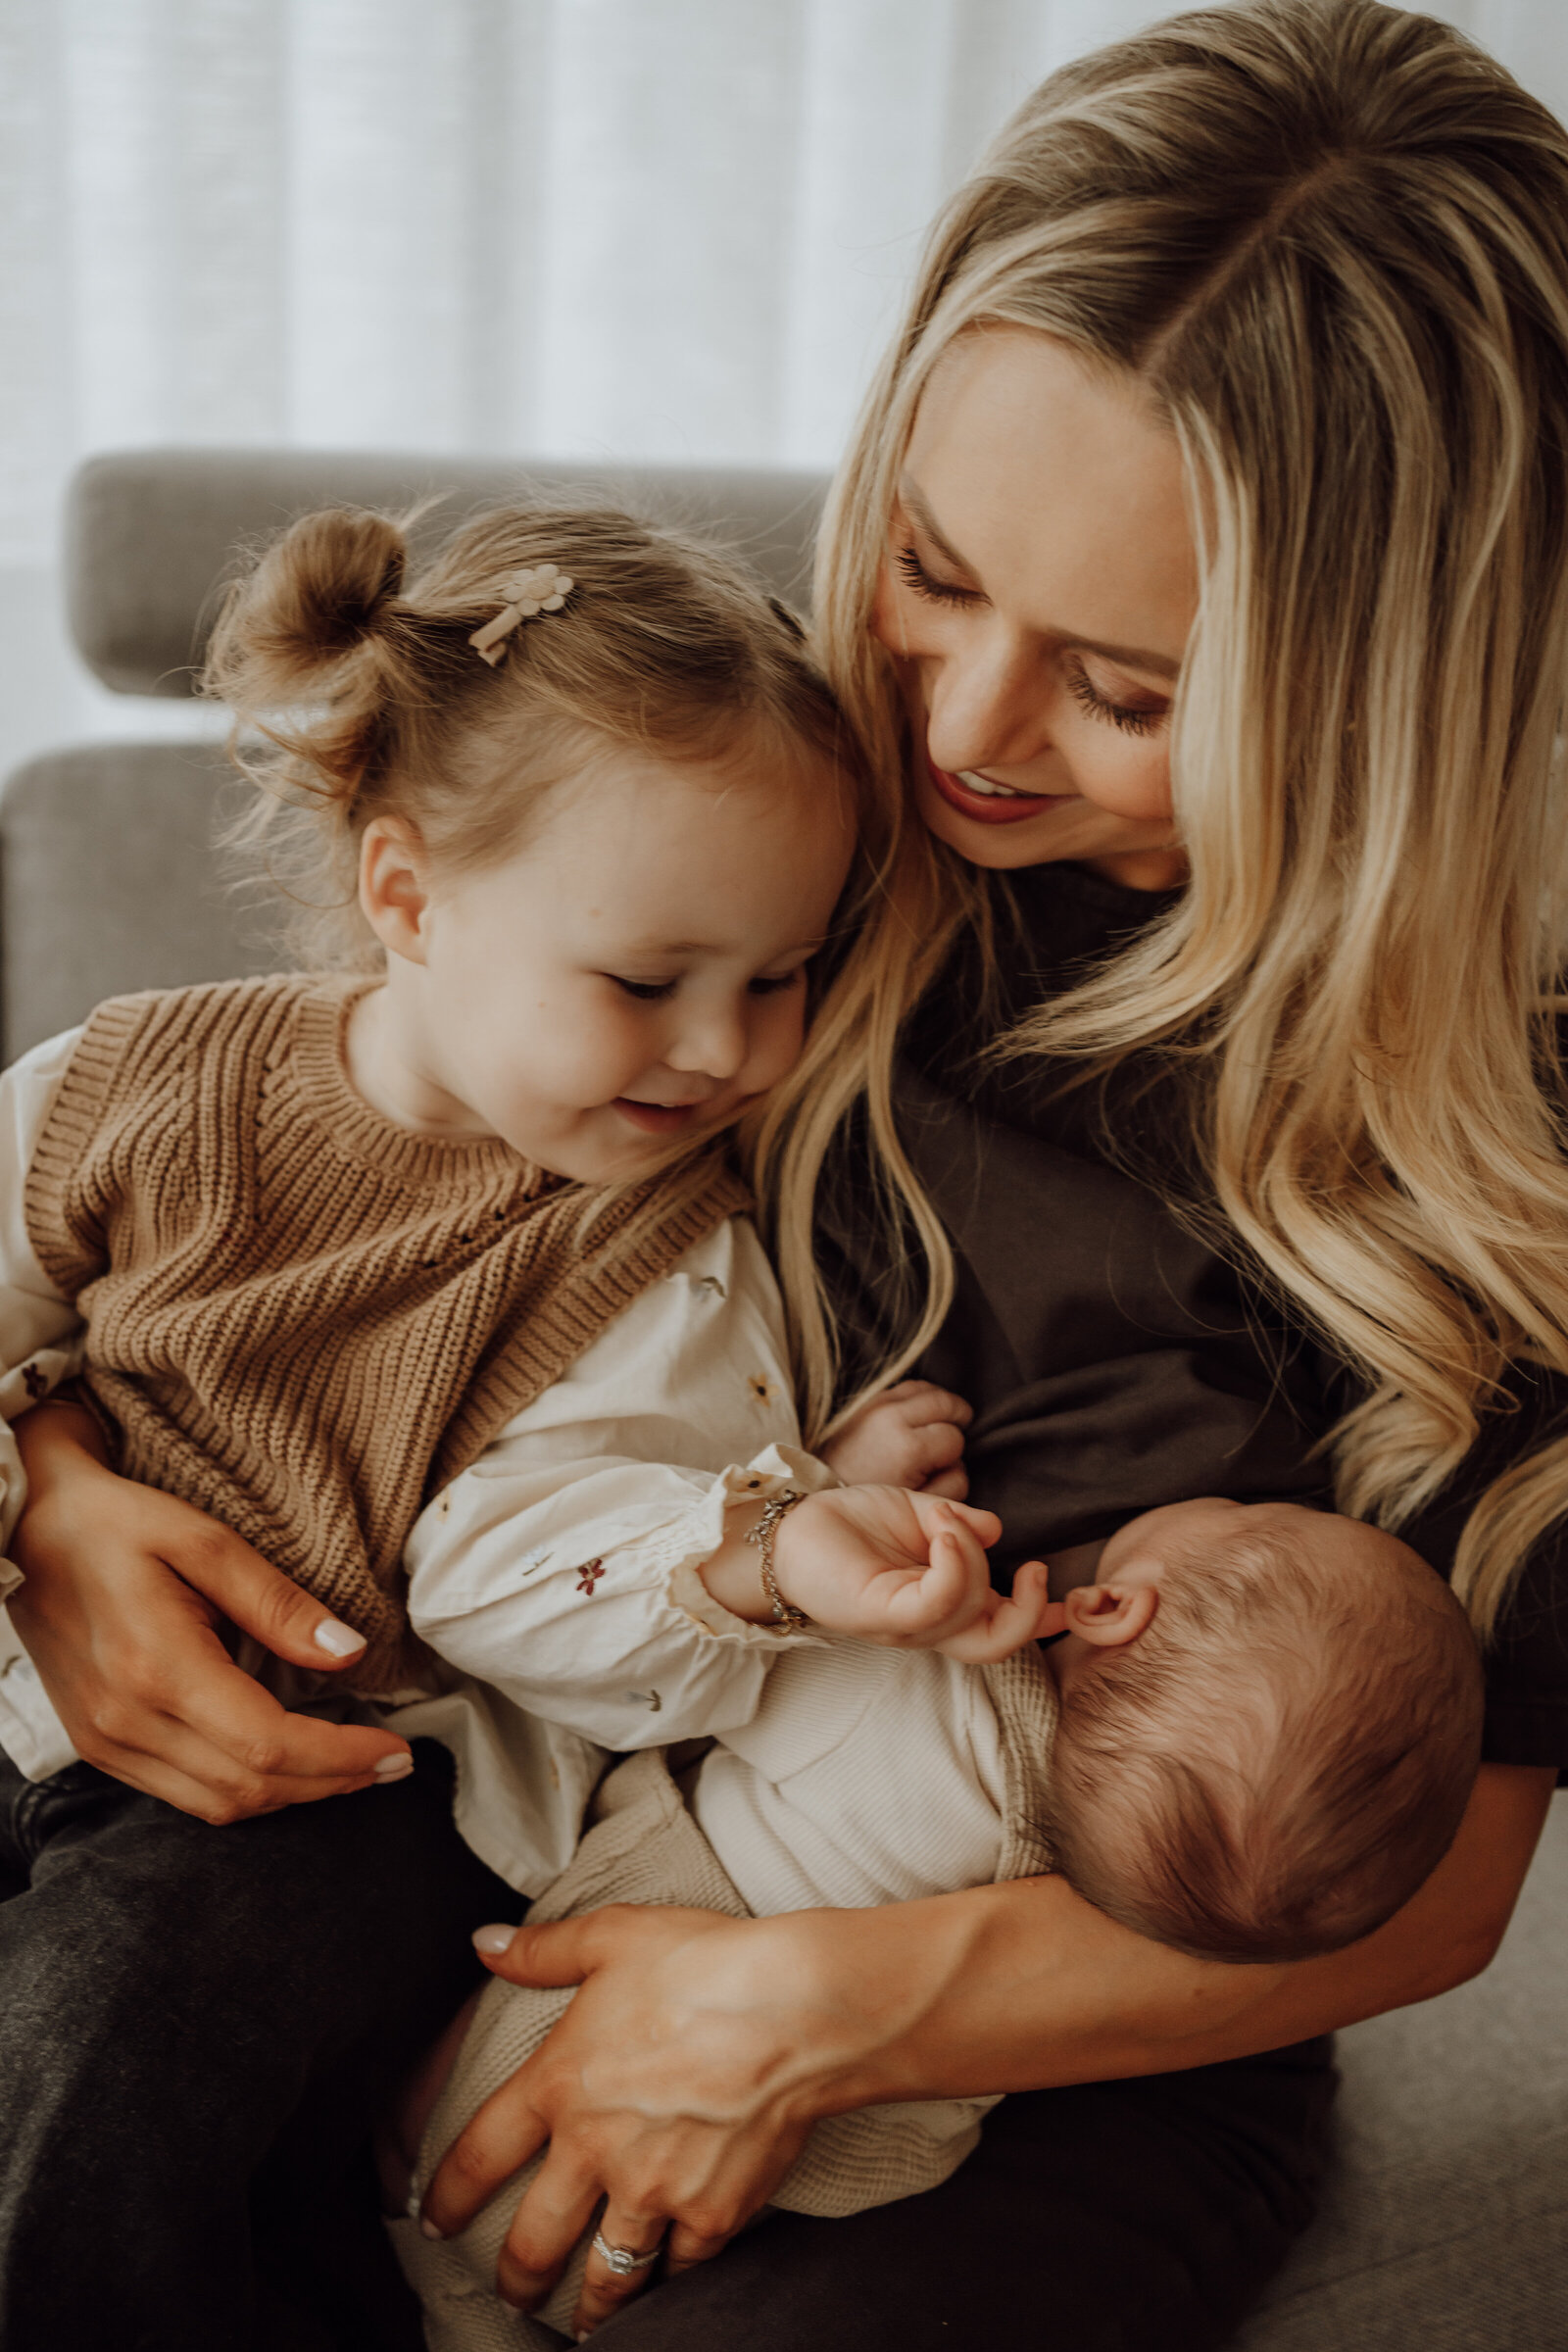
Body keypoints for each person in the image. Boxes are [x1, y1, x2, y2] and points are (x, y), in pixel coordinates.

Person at [7, 1, 1567, 2345]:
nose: (953, 729)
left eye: (1128, 689)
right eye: (930, 565)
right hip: (506, 1761)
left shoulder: (1492, 1143)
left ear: (1377, 682)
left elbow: (1429, 1892)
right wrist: (58, 1501)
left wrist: (816, 2005)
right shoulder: (761, 819)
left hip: (1050, 1988)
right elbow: (251, 1190)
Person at [0, 494, 921, 2350]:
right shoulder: (135, 1083)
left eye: (781, 977)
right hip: (33, 1697)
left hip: (340, 1795)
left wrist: (757, 1555)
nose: (726, 1051)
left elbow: (548, 1595)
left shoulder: (662, 1249)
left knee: (118, 2037)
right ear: (406, 896)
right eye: (650, 982)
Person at [385, 1483, 1480, 2348]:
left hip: (579, 2038)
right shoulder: (1089, 1887)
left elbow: (717, 1651)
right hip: (775, 2192)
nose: (1240, 1494)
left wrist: (835, 1499)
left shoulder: (914, 1682)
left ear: (1108, 1607)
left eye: (1255, 1508)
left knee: (431, 2184)